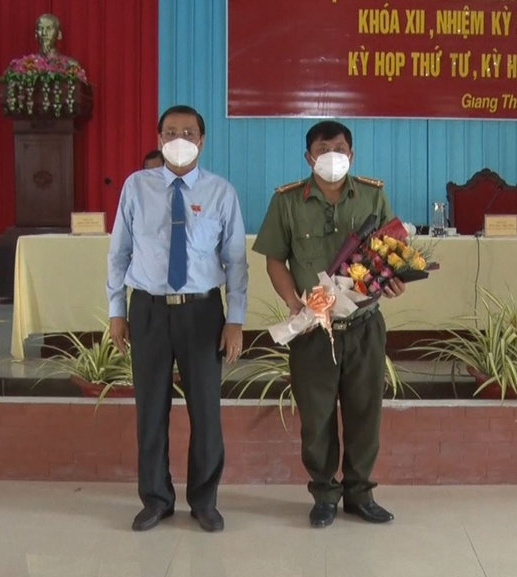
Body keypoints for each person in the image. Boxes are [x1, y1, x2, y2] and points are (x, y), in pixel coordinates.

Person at [252, 120, 406, 528]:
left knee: (365, 415)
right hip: (312, 330)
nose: (332, 156)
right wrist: (294, 304)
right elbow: (274, 259)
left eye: (339, 148)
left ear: (351, 155)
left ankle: (360, 494)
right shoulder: (286, 201)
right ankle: (324, 494)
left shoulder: (372, 195)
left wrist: (393, 280)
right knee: (316, 418)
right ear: (309, 157)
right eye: (323, 149)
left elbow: (392, 252)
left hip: (364, 325)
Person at [107, 105, 248, 533]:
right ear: (159, 138)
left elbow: (236, 261)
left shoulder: (221, 192)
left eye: (188, 132)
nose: (179, 139)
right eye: (171, 132)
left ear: (202, 140)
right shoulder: (136, 187)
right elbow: (119, 254)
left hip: (202, 312)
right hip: (148, 310)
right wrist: (116, 311)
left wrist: (235, 320)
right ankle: (156, 499)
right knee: (151, 410)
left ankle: (204, 501)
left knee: (205, 411)